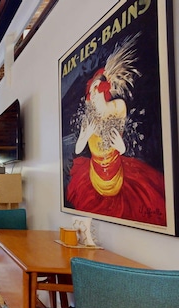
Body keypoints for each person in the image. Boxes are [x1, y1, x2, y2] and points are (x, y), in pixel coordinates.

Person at [66, 33, 166, 226]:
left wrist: (121, 148)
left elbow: (122, 141)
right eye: (91, 91)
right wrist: (85, 135)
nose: (93, 94)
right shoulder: (89, 117)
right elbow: (79, 149)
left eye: (96, 89)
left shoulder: (118, 107)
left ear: (105, 89)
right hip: (94, 175)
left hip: (117, 173)